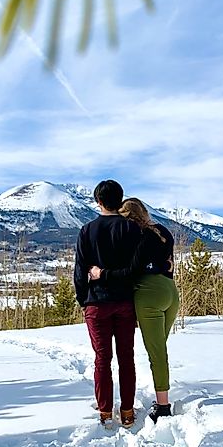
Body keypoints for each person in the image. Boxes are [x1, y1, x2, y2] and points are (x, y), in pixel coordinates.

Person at [89, 198, 180, 423]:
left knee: (156, 353)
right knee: (159, 350)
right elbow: (168, 263)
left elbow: (131, 271)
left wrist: (103, 274)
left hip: (148, 295)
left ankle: (163, 406)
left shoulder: (137, 237)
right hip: (170, 292)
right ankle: (161, 398)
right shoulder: (163, 231)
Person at [74, 180, 143, 428]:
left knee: (102, 359)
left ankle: (105, 412)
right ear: (120, 200)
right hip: (125, 301)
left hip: (97, 303)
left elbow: (80, 270)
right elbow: (135, 271)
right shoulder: (132, 230)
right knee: (127, 357)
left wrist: (84, 299)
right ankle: (127, 411)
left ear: (98, 201)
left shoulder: (87, 230)